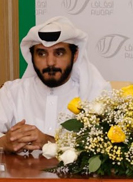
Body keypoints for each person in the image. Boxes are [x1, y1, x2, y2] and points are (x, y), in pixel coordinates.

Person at [0, 16, 111, 153]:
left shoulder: (95, 95)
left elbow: (107, 148)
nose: (50, 62)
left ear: (75, 55)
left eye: (59, 53)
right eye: (41, 54)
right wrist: (4, 142)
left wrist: (50, 142)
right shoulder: (11, 93)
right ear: (32, 57)